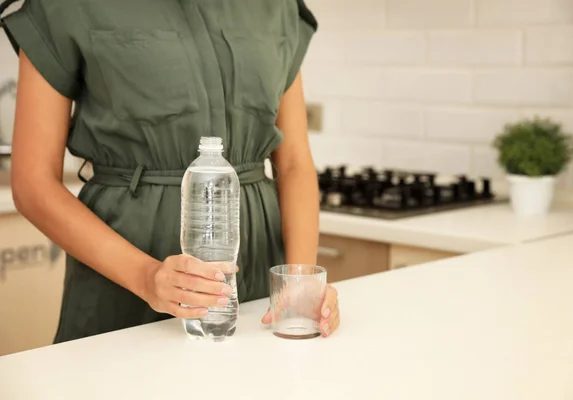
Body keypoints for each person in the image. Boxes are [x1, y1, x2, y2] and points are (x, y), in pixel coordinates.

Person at [0, 0, 340, 342]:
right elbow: (33, 182)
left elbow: (294, 161)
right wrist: (146, 276)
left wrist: (300, 284)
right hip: (123, 279)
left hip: (257, 278)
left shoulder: (275, 6)